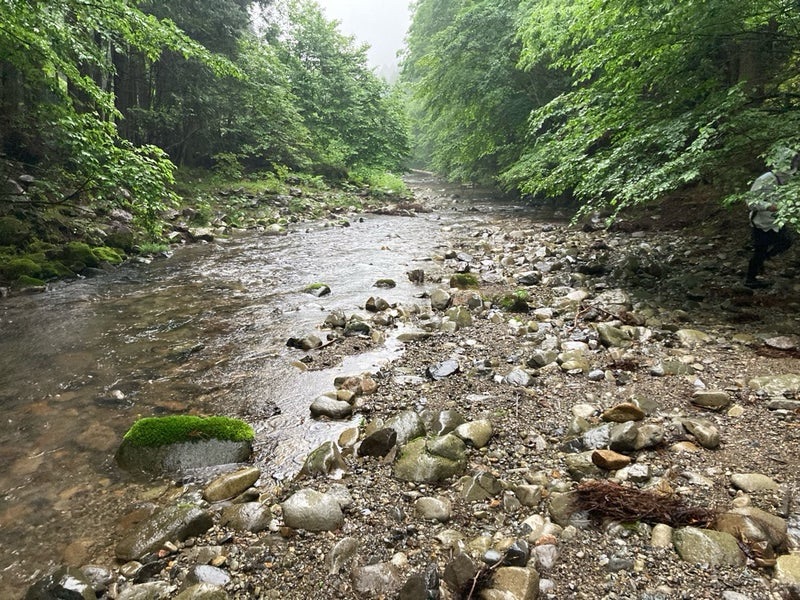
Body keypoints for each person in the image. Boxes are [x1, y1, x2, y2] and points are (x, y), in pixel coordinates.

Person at [744, 151, 798, 288]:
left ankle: (765, 259)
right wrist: (768, 206)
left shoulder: (791, 177)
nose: (795, 163)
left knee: (786, 241)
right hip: (761, 223)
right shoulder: (765, 179)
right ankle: (751, 279)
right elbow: (750, 201)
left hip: (777, 221)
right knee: (759, 251)